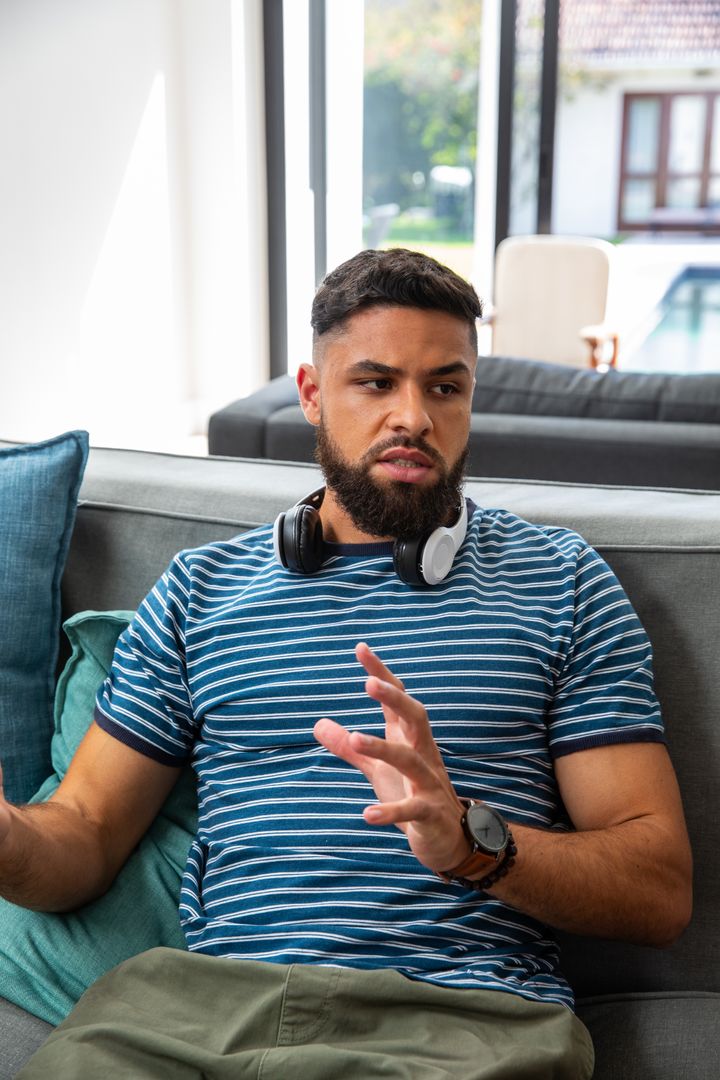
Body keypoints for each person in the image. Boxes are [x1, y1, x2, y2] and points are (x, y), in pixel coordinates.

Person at [2, 249, 692, 1079]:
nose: (414, 417)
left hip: (463, 1020)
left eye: (445, 386)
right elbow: (84, 834)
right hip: (196, 1013)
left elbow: (658, 888)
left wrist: (471, 841)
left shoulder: (561, 581)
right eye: (375, 382)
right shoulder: (198, 590)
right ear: (311, 395)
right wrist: (7, 840)